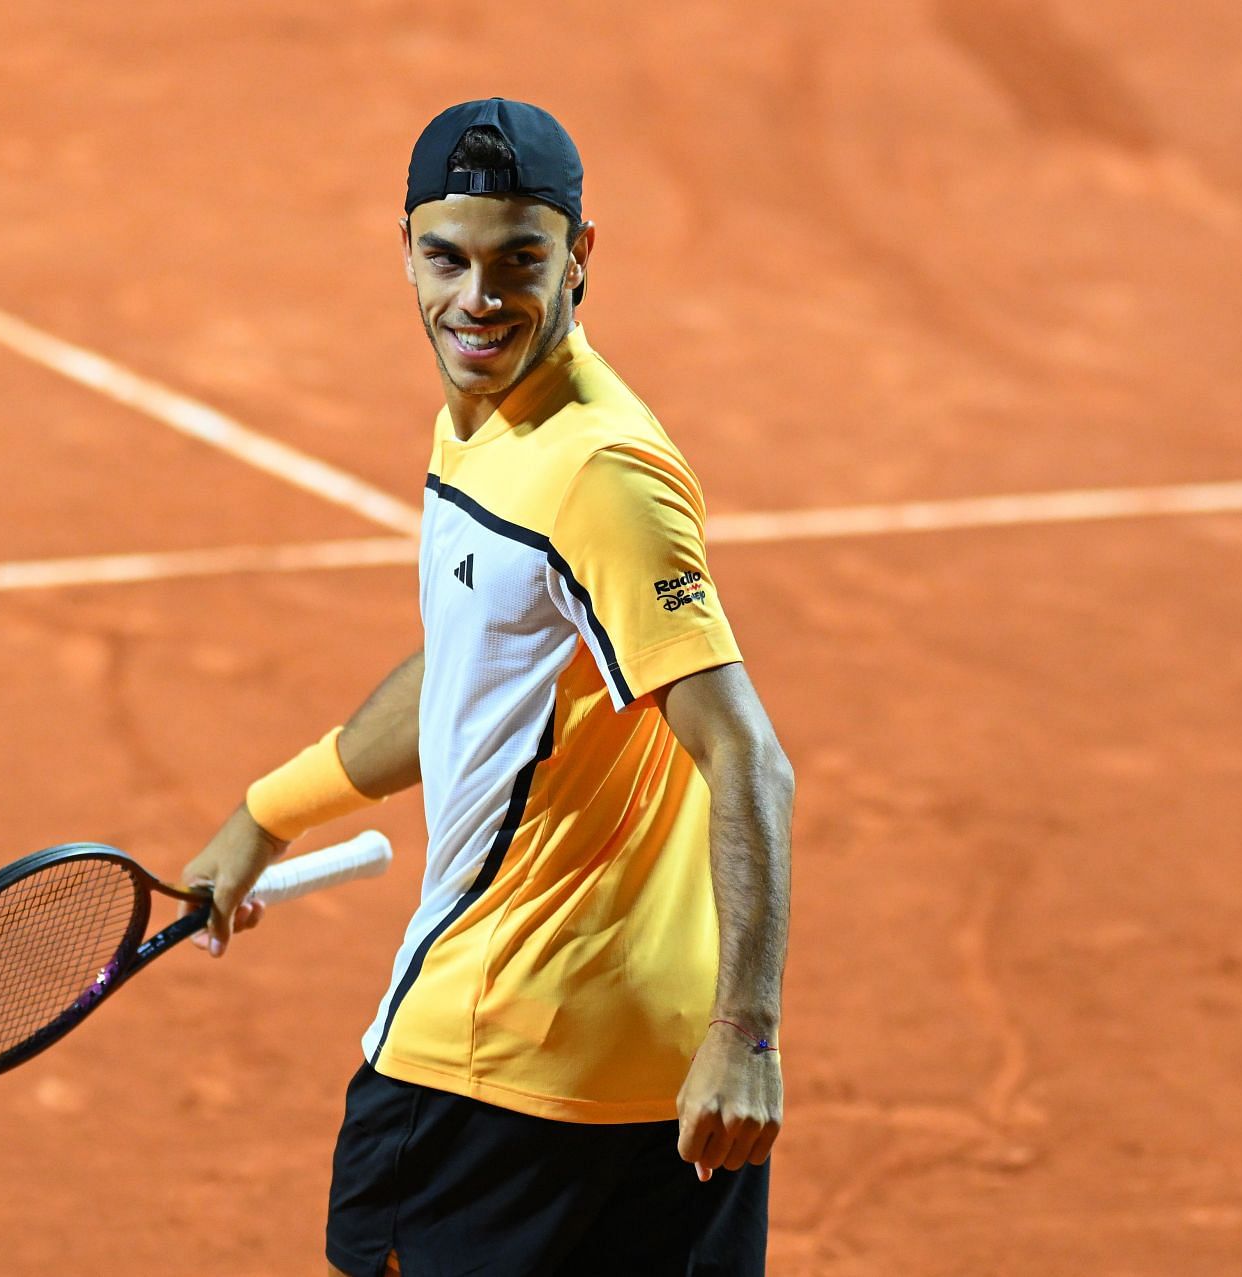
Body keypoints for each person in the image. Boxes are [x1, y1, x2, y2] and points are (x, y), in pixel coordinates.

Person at [181, 98, 795, 1276]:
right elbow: (478, 668)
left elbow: (750, 755)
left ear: (580, 256)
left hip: (497, 1049)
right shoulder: (492, 422)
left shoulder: (592, 469)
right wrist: (268, 813)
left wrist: (750, 1032)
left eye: (521, 259)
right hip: (646, 1068)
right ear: (405, 246)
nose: (479, 299)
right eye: (446, 257)